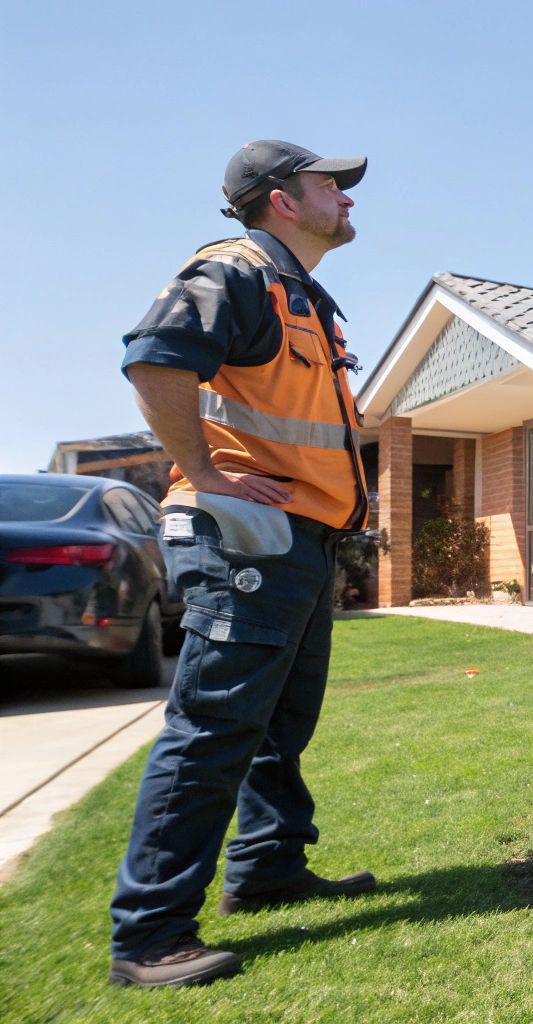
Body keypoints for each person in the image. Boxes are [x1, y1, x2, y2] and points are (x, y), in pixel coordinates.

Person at [108, 141, 376, 988]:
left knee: (276, 725)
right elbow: (155, 358)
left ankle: (267, 868)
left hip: (299, 538)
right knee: (215, 726)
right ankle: (149, 934)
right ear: (281, 200)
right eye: (329, 184)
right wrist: (213, 473)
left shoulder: (304, 296)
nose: (346, 198)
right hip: (245, 536)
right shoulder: (234, 271)